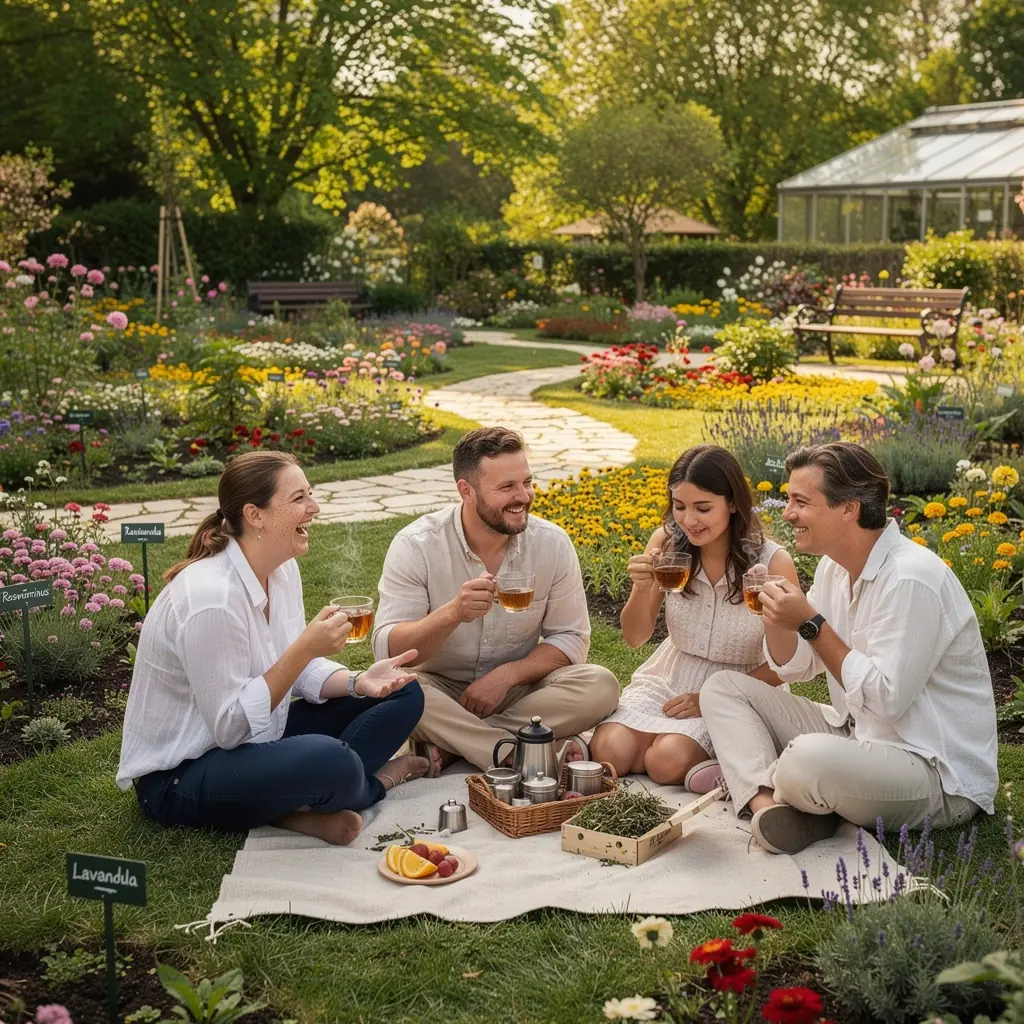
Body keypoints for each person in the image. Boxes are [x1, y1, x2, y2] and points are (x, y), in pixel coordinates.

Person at [700, 441, 999, 855]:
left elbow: (886, 700)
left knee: (804, 760)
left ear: (849, 508)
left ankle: (793, 792)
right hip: (857, 735)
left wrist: (811, 623)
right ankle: (769, 806)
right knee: (722, 688)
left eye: (801, 502)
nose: (787, 513)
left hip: (934, 771)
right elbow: (798, 667)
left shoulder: (911, 579)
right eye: (789, 500)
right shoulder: (834, 569)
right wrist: (778, 621)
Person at [117, 451, 428, 846]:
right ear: (255, 515)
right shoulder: (211, 599)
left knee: (405, 692)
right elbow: (229, 728)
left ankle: (299, 804)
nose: (314, 508)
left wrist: (358, 682)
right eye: (299, 499)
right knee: (331, 759)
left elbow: (294, 671)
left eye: (310, 495)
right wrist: (303, 649)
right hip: (183, 774)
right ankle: (373, 784)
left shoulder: (282, 570)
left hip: (261, 739)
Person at [372, 427, 620, 774]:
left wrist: (509, 675)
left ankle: (456, 744)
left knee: (601, 684)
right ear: (466, 491)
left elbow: (570, 638)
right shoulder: (417, 545)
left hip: (520, 690)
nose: (524, 496)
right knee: (395, 690)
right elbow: (387, 649)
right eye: (507, 487)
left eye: (526, 482)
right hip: (440, 690)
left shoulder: (552, 543)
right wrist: (452, 614)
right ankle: (514, 748)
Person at [590, 445, 798, 789]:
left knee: (665, 761)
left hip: (741, 685)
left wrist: (710, 700)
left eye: (703, 508)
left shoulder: (773, 562)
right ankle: (712, 764)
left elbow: (789, 664)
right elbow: (634, 637)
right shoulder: (668, 544)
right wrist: (642, 588)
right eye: (679, 507)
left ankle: (734, 760)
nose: (688, 520)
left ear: (732, 503)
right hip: (672, 674)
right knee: (611, 750)